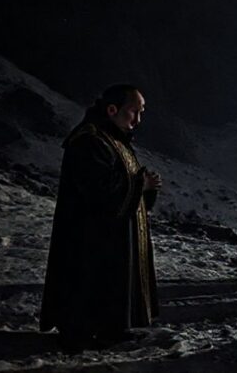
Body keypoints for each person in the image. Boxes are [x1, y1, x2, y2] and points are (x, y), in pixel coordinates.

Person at [40, 84, 162, 352]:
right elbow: (100, 191)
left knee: (111, 281)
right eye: (134, 112)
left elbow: (123, 181)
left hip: (112, 232)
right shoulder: (89, 140)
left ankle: (112, 328)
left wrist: (144, 186)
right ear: (112, 109)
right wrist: (140, 184)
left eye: (141, 113)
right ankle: (80, 333)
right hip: (89, 236)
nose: (137, 120)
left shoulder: (112, 138)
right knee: (89, 280)